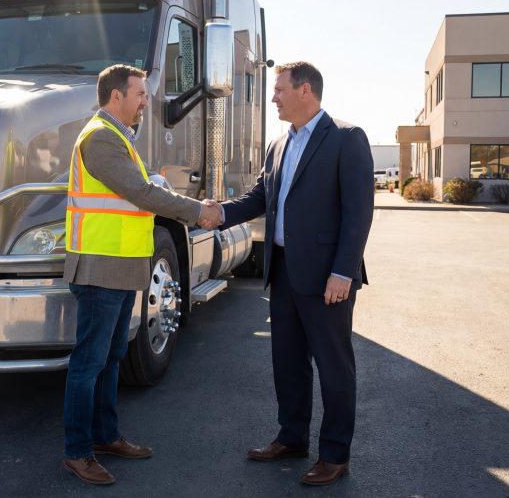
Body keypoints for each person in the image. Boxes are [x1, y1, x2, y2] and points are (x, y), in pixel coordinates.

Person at [204, 61, 373, 486]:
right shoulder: (278, 145)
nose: (273, 97)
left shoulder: (347, 138)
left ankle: (335, 455)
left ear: (305, 91)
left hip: (327, 279)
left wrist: (343, 272)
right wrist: (219, 213)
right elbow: (260, 196)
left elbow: (358, 213)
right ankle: (291, 437)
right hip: (283, 273)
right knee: (289, 364)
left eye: (278, 89)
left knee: (335, 368)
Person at [63, 64, 221, 486]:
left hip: (118, 267)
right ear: (116, 96)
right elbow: (141, 192)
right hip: (98, 267)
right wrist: (196, 212)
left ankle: (106, 436)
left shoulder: (119, 138)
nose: (146, 102)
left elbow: (143, 185)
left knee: (111, 358)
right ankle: (78, 451)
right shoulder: (100, 139)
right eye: (140, 94)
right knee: (89, 363)